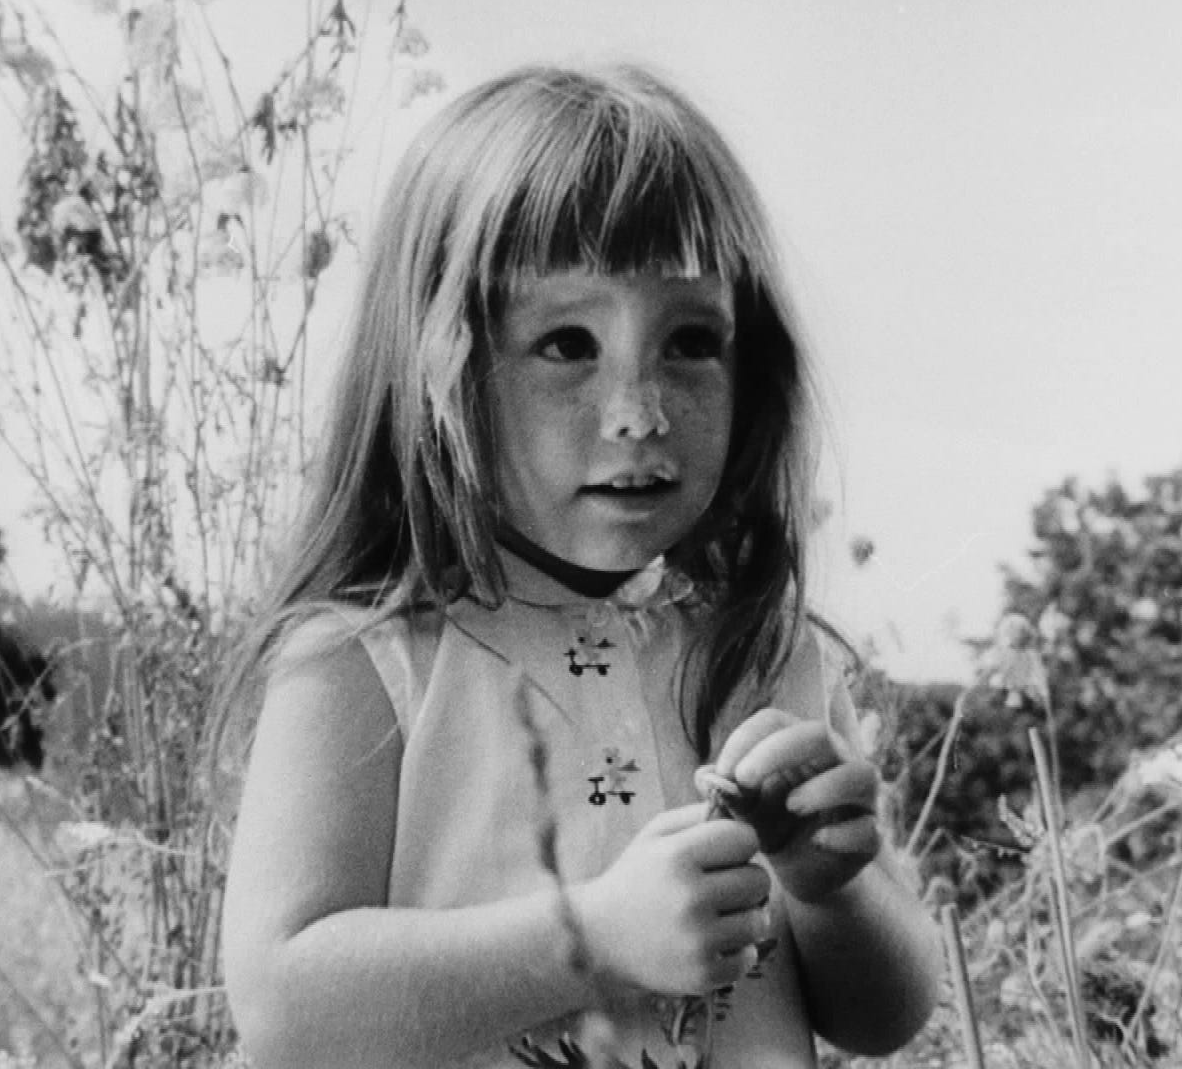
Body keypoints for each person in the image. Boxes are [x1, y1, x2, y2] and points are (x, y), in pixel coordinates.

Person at [215, 62, 943, 1069]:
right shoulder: (363, 661)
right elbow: (284, 1006)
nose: (641, 409)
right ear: (440, 372)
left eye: (691, 340)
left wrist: (831, 887)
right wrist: (591, 934)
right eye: (566, 342)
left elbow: (886, 1016)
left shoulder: (761, 655)